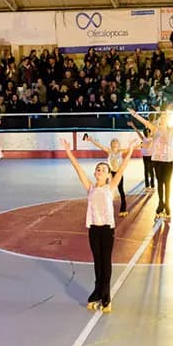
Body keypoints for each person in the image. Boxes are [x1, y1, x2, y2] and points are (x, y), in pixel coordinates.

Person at [61, 138, 138, 313]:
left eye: (103, 169)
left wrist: (131, 149)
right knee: (97, 262)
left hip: (107, 230)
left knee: (106, 261)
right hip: (93, 230)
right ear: (95, 174)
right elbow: (78, 169)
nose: (99, 170)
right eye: (98, 169)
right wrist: (68, 151)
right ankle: (97, 290)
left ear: (108, 175)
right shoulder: (90, 188)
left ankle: (106, 295)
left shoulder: (110, 188)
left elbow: (123, 167)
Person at [129, 107, 173, 219]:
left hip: (168, 161)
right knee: (160, 183)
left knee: (167, 183)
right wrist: (134, 114)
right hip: (156, 160)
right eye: (161, 118)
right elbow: (144, 121)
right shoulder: (154, 129)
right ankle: (160, 203)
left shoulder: (172, 130)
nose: (162, 120)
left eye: (164, 118)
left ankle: (167, 204)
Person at [83, 134, 135, 217]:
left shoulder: (121, 151)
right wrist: (91, 140)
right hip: (110, 174)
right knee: (107, 190)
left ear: (118, 145)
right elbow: (99, 145)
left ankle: (123, 208)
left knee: (121, 190)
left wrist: (139, 144)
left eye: (116, 142)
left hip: (118, 173)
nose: (114, 144)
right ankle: (105, 207)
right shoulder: (109, 151)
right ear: (111, 144)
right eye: (113, 142)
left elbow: (131, 149)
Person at [128, 122, 155, 190]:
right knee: (147, 170)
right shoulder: (145, 138)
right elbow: (137, 132)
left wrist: (141, 145)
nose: (147, 133)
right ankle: (148, 185)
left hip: (150, 156)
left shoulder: (151, 139)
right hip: (146, 156)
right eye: (146, 132)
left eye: (148, 132)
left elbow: (147, 145)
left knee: (150, 170)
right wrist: (133, 125)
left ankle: (151, 185)